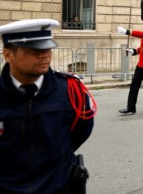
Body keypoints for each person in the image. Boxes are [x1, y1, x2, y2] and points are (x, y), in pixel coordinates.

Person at [0, 19, 95, 193]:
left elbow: (82, 129)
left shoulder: (70, 90)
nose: (44, 55)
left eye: (47, 48)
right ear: (8, 54)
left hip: (57, 186)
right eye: (34, 50)